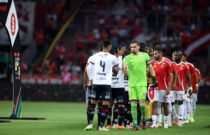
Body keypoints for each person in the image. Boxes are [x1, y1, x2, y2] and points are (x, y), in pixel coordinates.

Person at [84, 40, 119, 131]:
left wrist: (91, 78)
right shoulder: (112, 57)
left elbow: (88, 68)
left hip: (96, 82)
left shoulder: (94, 56)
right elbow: (118, 68)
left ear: (102, 46)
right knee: (105, 105)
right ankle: (100, 126)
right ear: (110, 47)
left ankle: (90, 124)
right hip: (106, 84)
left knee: (92, 104)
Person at [122, 40, 158, 131]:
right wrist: (127, 74)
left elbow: (150, 67)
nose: (132, 49)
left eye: (134, 47)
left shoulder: (145, 56)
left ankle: (144, 120)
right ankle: (135, 124)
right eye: (131, 47)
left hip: (142, 84)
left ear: (138, 47)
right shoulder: (127, 58)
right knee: (133, 105)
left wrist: (154, 78)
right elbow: (124, 68)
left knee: (142, 105)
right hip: (132, 85)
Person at [150, 46, 173, 129]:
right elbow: (149, 74)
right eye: (154, 53)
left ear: (160, 53)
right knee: (155, 104)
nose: (154, 55)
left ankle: (166, 123)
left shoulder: (167, 62)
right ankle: (154, 123)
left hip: (164, 88)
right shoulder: (153, 63)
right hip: (155, 88)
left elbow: (171, 75)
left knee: (165, 105)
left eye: (155, 54)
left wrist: (169, 88)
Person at [107, 45, 126, 130]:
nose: (123, 51)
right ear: (119, 51)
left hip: (111, 86)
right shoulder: (124, 60)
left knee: (109, 105)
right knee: (121, 105)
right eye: (122, 49)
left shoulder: (109, 58)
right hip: (119, 86)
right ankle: (120, 124)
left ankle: (109, 125)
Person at [172, 49, 192, 127]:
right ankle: (174, 117)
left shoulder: (185, 65)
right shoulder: (172, 64)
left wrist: (189, 87)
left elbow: (188, 77)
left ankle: (180, 120)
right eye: (174, 55)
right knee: (171, 103)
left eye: (177, 55)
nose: (175, 57)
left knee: (180, 102)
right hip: (172, 88)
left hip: (181, 88)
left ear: (180, 57)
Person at [181, 53, 198, 123]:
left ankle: (188, 117)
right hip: (181, 86)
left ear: (185, 57)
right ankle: (183, 117)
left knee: (187, 101)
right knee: (182, 102)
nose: (180, 57)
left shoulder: (190, 65)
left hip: (188, 85)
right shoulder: (178, 64)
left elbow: (195, 75)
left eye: (181, 56)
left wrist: (196, 85)